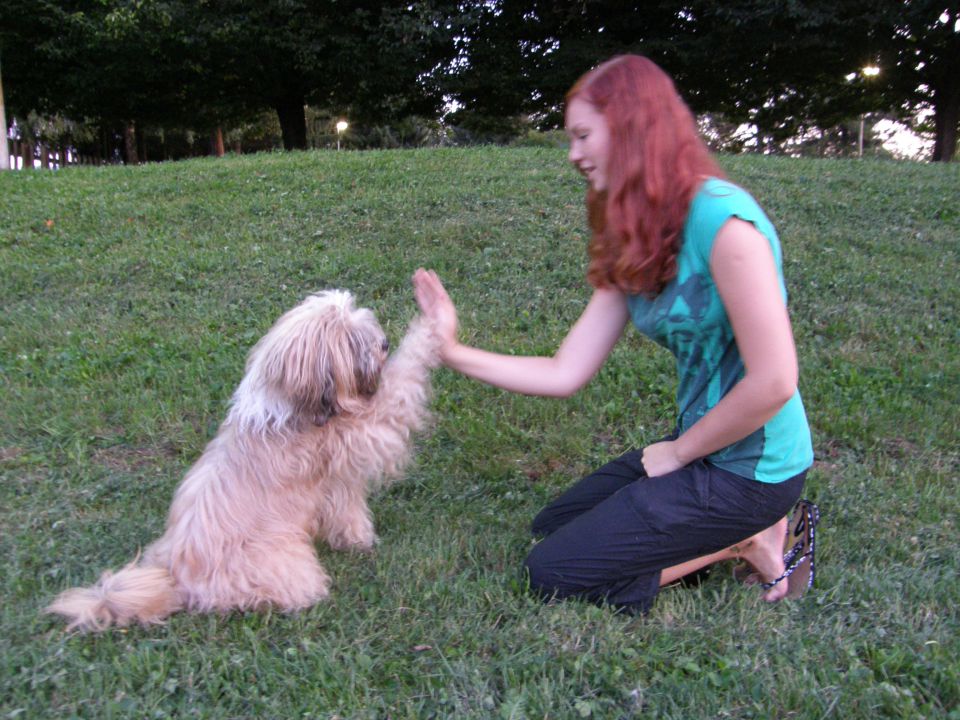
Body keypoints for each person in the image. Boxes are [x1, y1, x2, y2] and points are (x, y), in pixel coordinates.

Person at [412, 54, 815, 615]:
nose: (573, 154)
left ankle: (745, 537)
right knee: (551, 526)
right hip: (703, 453)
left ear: (631, 129)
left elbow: (773, 381)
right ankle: (725, 531)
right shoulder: (638, 233)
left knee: (551, 572)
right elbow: (564, 371)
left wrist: (680, 451)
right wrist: (451, 350)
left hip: (753, 472)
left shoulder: (725, 226)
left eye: (583, 135)